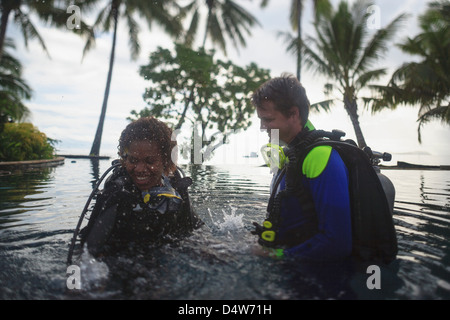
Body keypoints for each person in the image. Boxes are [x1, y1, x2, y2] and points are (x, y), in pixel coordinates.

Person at [251, 73, 353, 262]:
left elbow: (338, 242)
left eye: (268, 119)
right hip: (295, 263)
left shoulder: (320, 158)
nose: (262, 127)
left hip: (322, 283)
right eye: (261, 119)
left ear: (293, 114)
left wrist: (277, 256)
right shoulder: (290, 154)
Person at [79, 116, 203, 257]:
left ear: (166, 161)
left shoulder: (175, 187)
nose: (139, 169)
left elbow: (195, 228)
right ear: (124, 159)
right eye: (133, 160)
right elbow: (88, 252)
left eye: (150, 161)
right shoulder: (118, 193)